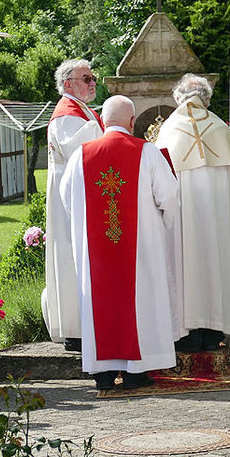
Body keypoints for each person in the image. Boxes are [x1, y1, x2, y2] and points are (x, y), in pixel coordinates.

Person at [59, 95, 180, 390]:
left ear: (101, 121)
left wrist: (86, 226)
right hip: (141, 249)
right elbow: (170, 197)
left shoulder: (81, 155)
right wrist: (159, 226)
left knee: (99, 302)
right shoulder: (148, 152)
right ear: (131, 122)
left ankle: (102, 372)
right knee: (141, 302)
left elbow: (67, 198)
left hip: (96, 253)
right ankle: (136, 372)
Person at [156, 73, 230, 353]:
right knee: (216, 267)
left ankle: (187, 334)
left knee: (185, 269)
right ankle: (213, 333)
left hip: (182, 222)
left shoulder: (168, 131)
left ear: (177, 99)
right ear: (207, 100)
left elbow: (160, 184)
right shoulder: (222, 130)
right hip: (219, 222)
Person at [44, 59, 104, 353]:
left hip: (78, 195)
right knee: (71, 257)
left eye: (93, 77)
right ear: (68, 84)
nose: (93, 82)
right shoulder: (68, 115)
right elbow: (76, 151)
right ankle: (75, 329)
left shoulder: (82, 111)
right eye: (86, 78)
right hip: (71, 200)